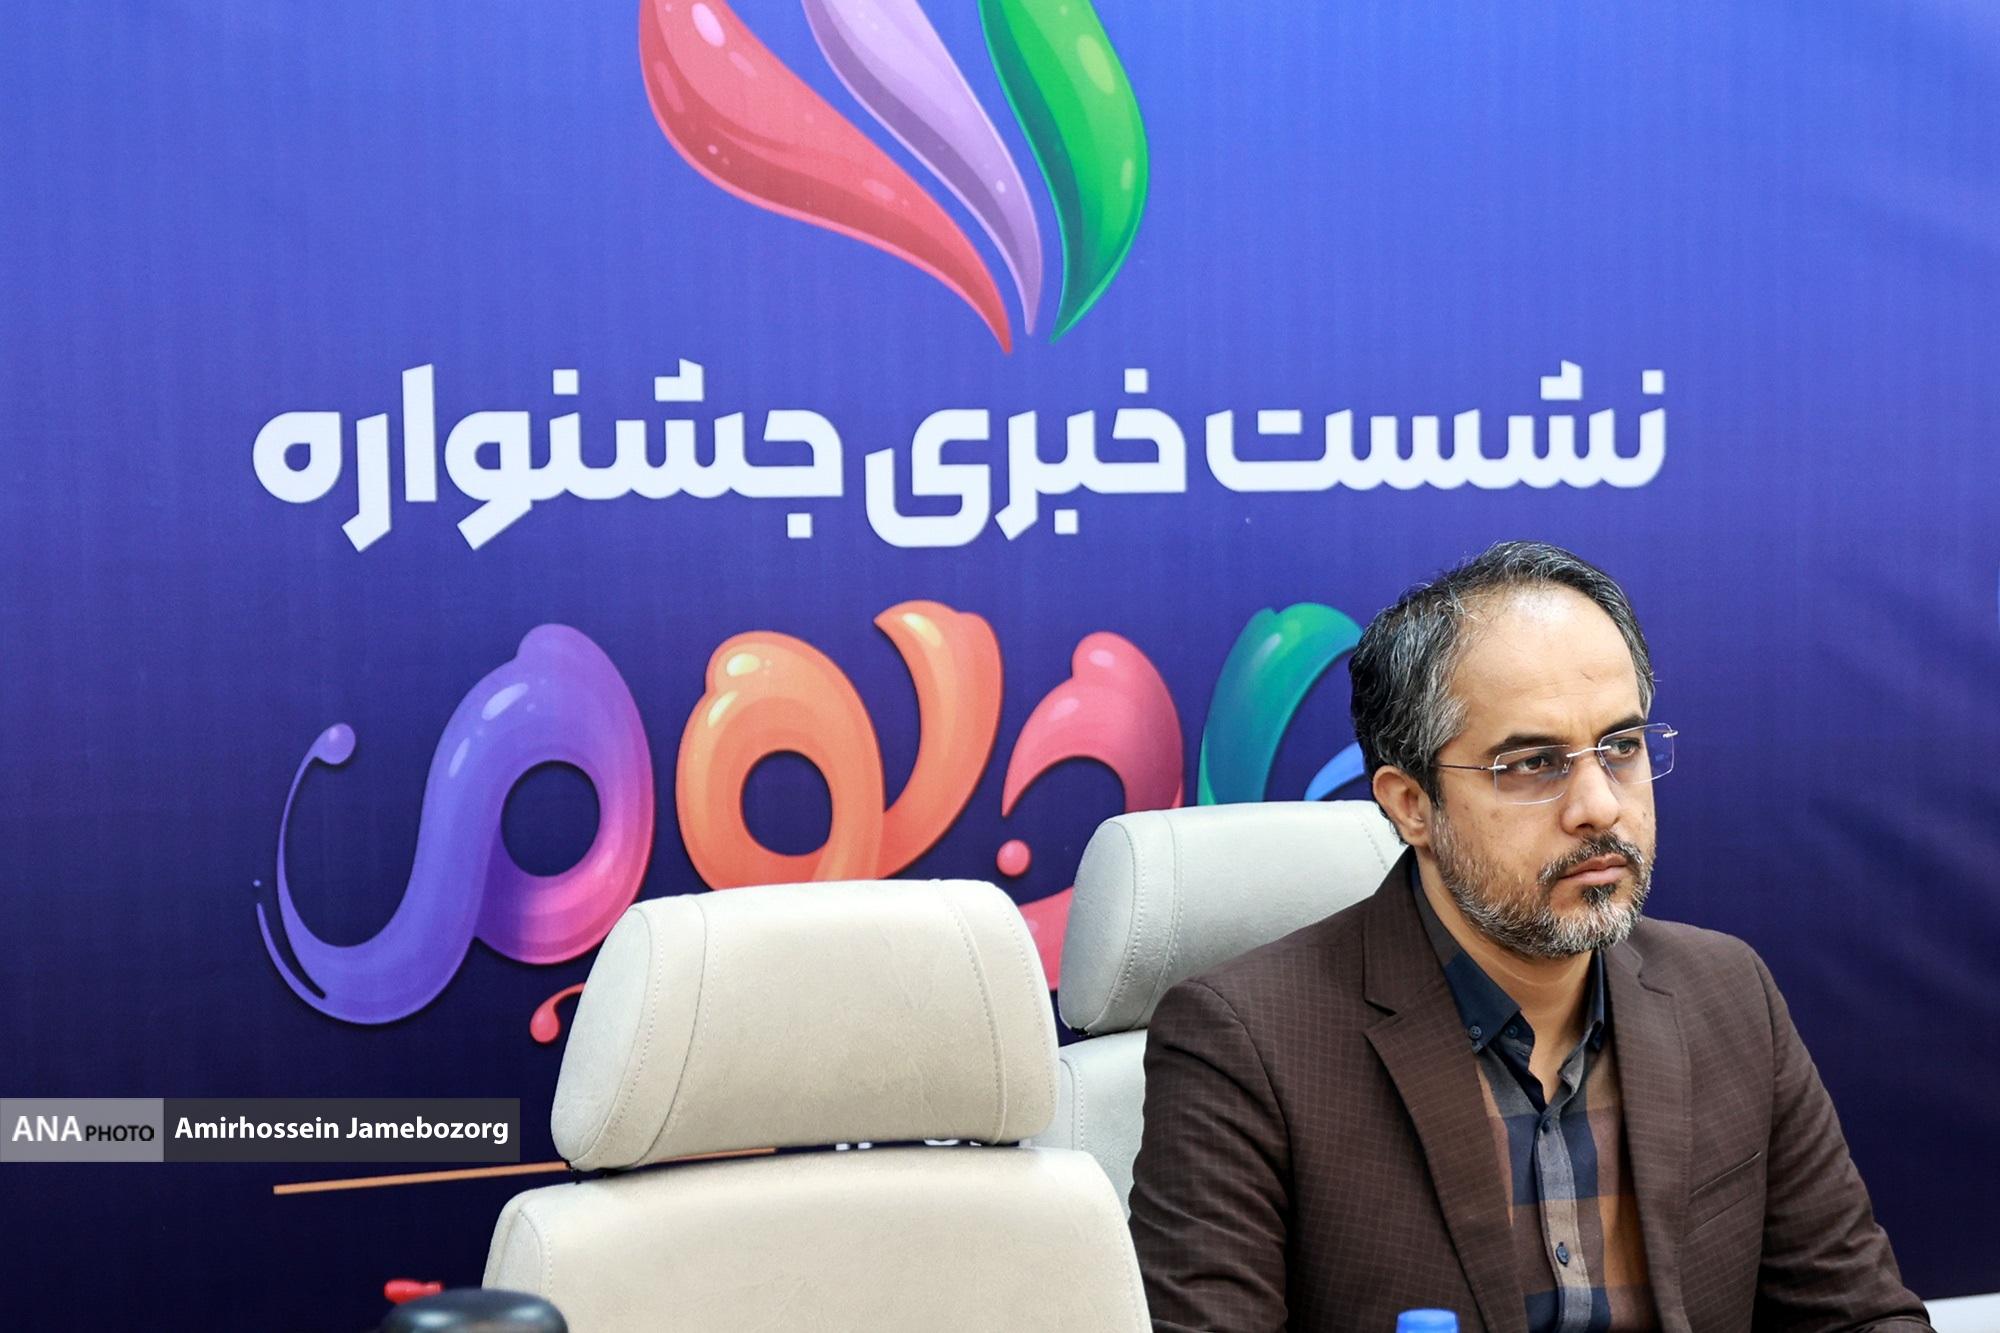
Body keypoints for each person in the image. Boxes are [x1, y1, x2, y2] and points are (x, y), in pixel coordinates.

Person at [1127, 541, 1927, 1332]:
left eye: (1621, 747)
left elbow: (1857, 1315)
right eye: (1535, 763)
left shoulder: (1726, 994)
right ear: (1411, 805)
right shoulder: (1248, 1046)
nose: (1599, 806)